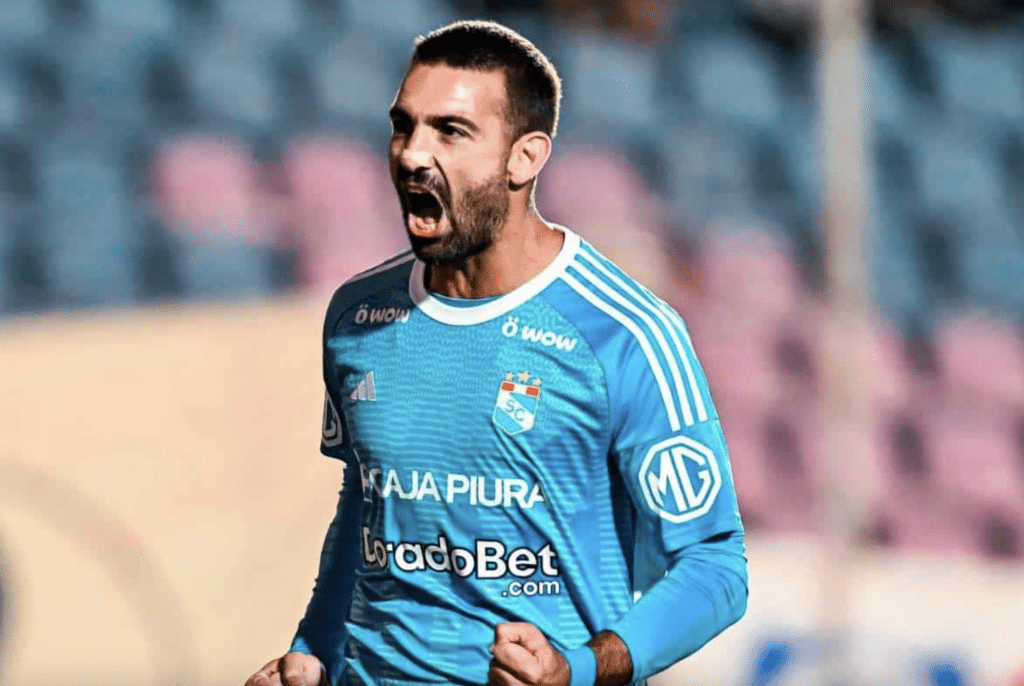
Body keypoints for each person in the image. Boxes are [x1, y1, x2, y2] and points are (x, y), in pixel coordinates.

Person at [245, 20, 748, 686]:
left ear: (525, 157)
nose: (413, 155)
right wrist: (311, 652)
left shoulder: (625, 333)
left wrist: (582, 667)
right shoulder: (357, 318)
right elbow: (365, 506)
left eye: (451, 132)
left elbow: (714, 568)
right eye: (404, 126)